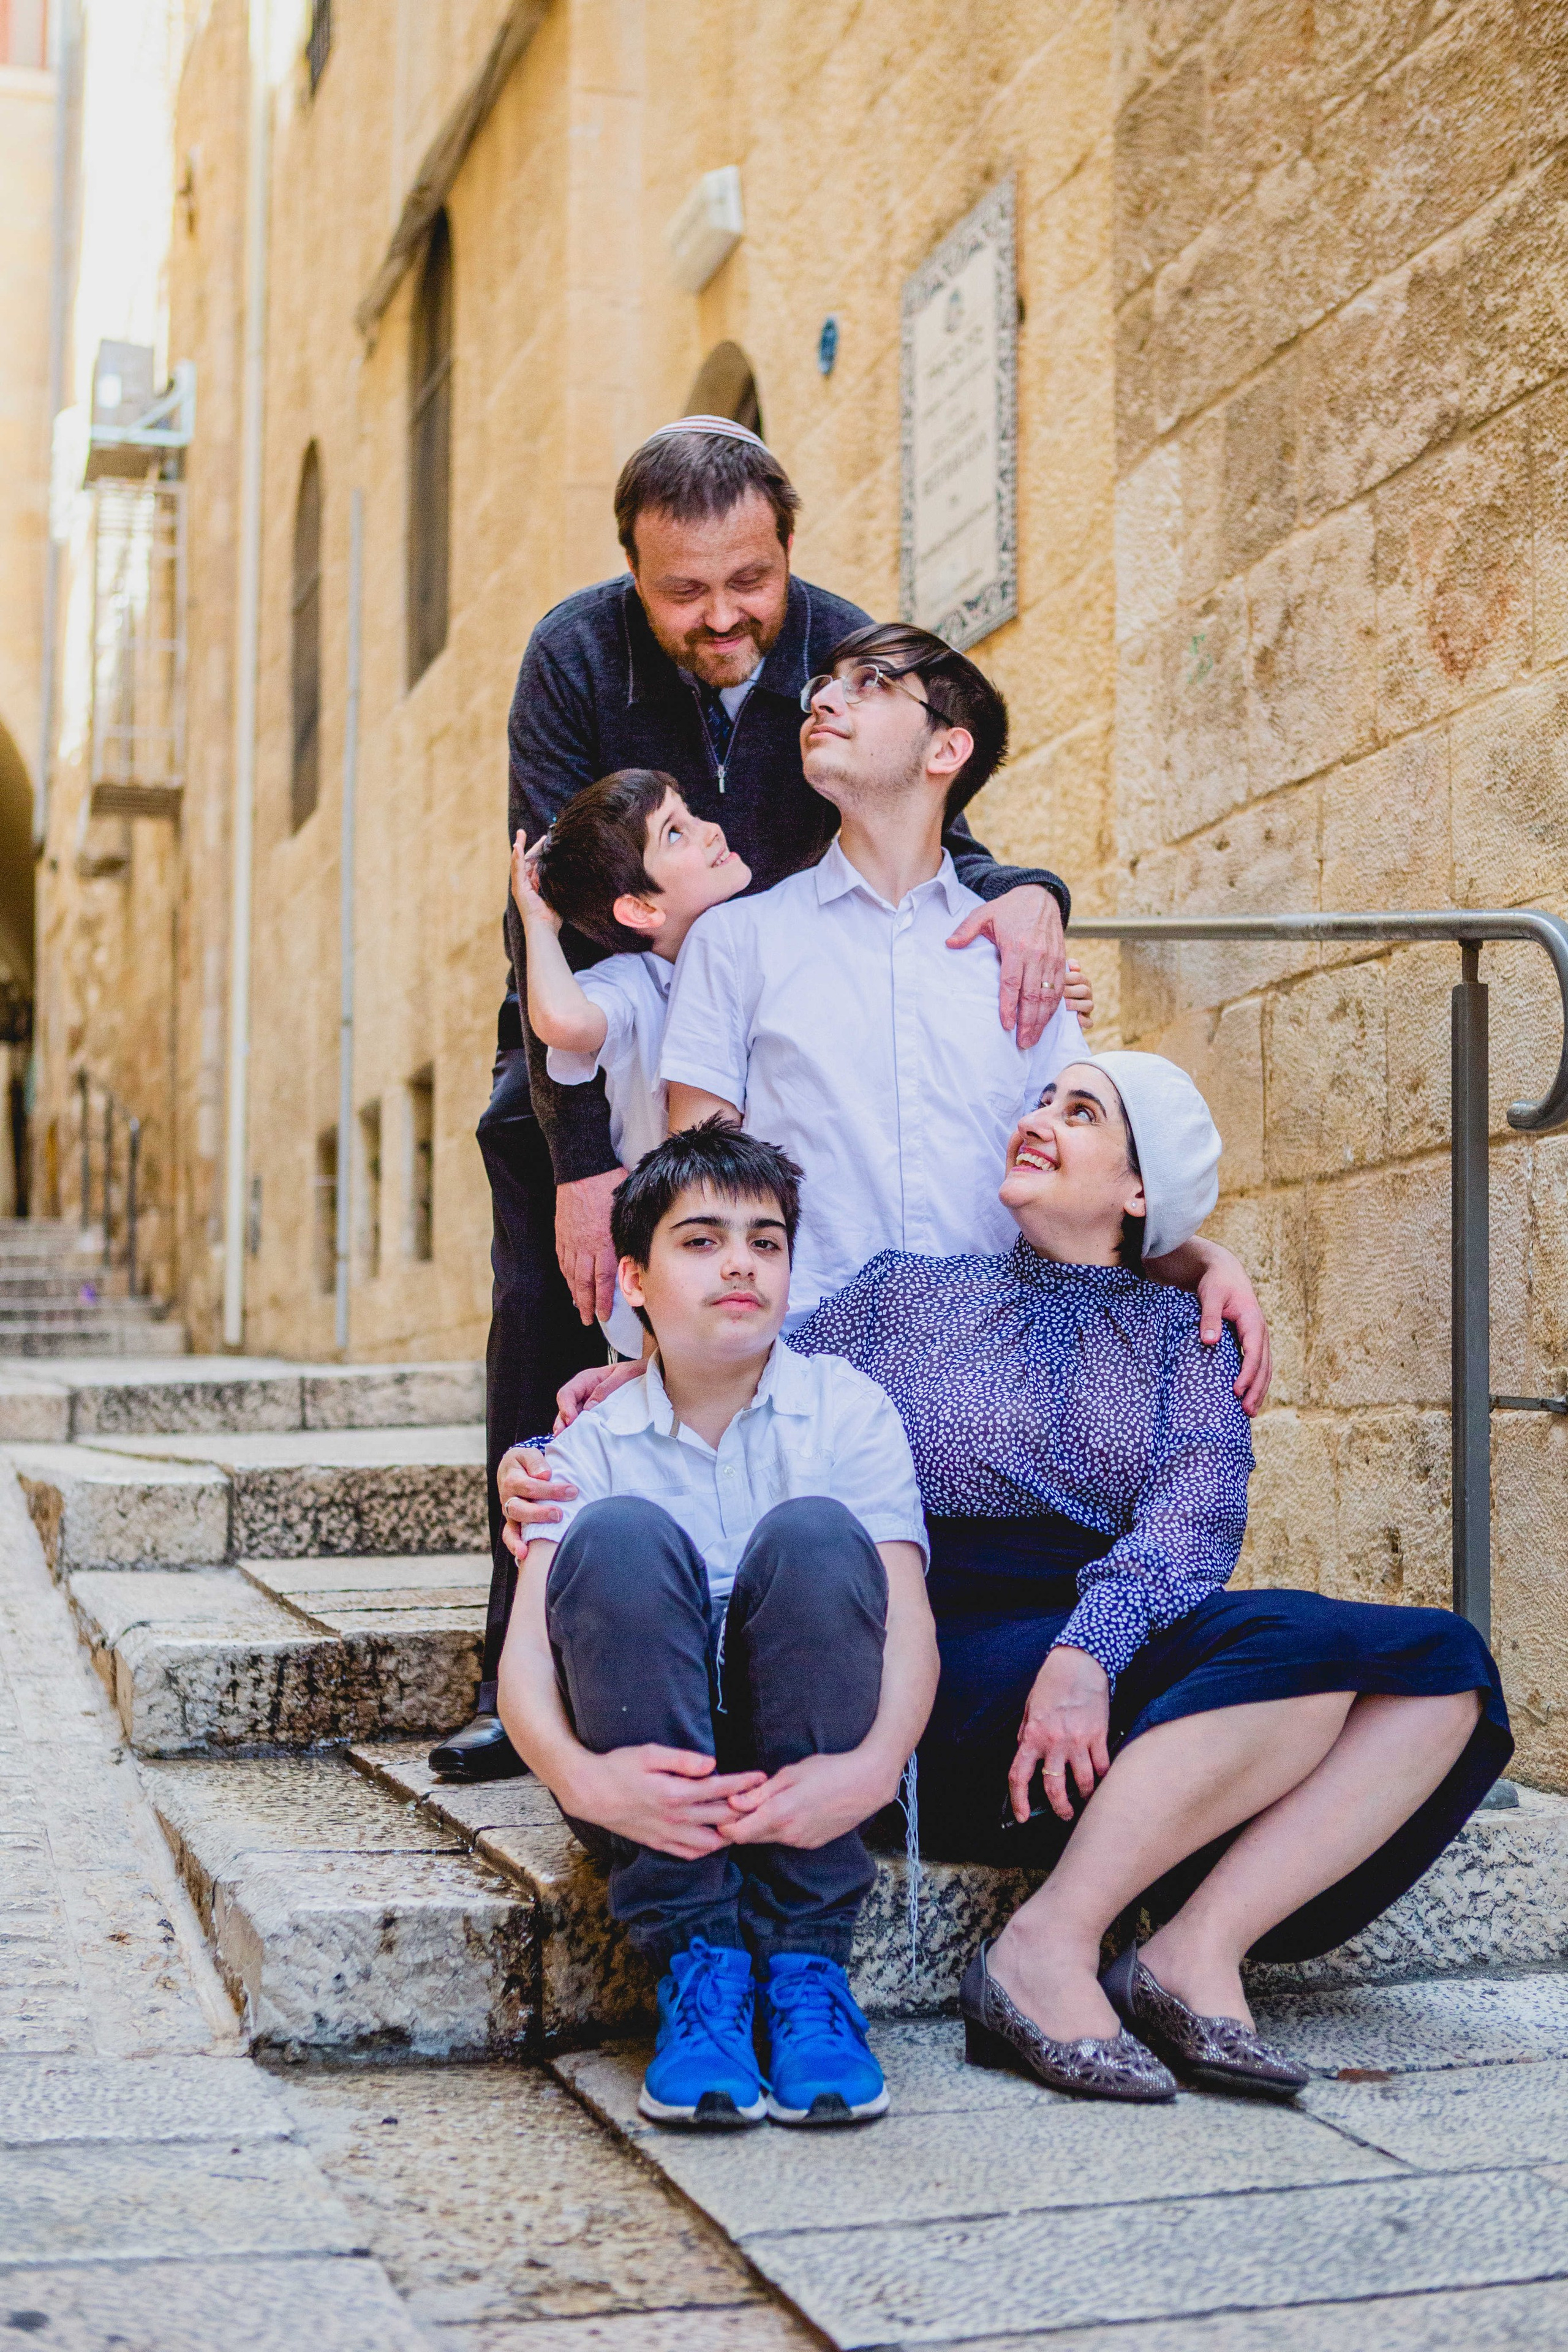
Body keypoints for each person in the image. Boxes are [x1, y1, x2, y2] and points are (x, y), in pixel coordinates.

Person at [442, 417, 1077, 1781]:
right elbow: (553, 889)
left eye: (751, 581)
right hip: (595, 1041)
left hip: (744, 1033)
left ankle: (766, 1633)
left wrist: (1036, 892)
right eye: (685, 592)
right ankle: (523, 1660)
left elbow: (942, 827)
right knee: (548, 1312)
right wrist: (583, 1162)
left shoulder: (841, 654)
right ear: (633, 573)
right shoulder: (572, 656)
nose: (723, 616)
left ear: (786, 550)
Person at [786, 1054, 1511, 2101]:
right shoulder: (903, 1295)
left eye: (1081, 1111)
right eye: (1043, 1101)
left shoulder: (1188, 1337)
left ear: (1139, 1190)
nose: (1040, 1118)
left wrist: (1087, 1651)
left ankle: (1193, 1951)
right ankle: (1044, 1951)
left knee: (1442, 1664)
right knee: (1306, 1661)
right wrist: (622, 1388)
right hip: (925, 1657)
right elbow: (757, 1384)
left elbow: (1193, 1523)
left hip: (1096, 1662)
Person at [494, 1120, 938, 2130]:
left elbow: (909, 1626)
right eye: (701, 1241)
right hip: (643, 1772)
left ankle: (807, 1971)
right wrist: (581, 1782)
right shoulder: (590, 1446)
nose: (740, 1262)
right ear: (634, 1280)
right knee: (617, 1536)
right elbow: (524, 1667)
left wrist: (875, 1769)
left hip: (815, 1760)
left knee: (818, 1535)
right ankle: (700, 1971)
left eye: (765, 1242)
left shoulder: (851, 1411)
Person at [657, 621, 1269, 1340]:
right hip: (800, 1359)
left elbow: (1084, 1179)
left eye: (871, 683)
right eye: (825, 685)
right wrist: (663, 1362)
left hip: (995, 1366)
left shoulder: (1020, 959)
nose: (822, 701)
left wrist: (1196, 1257)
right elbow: (695, 1184)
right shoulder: (734, 941)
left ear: (946, 749)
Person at [515, 760, 1101, 1359]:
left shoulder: (761, 947)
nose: (710, 830)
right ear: (639, 909)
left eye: (691, 816)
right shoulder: (635, 982)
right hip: (671, 1255)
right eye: (675, 833)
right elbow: (564, 1022)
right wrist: (536, 923)